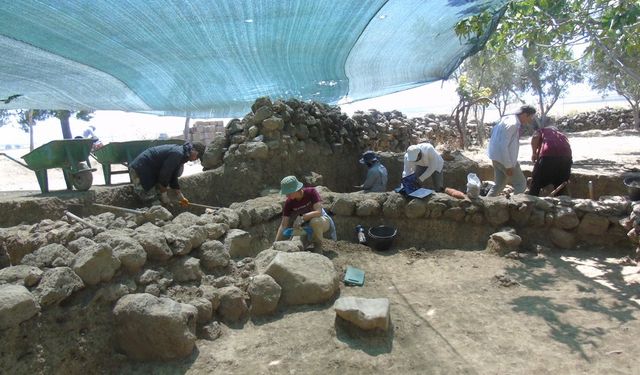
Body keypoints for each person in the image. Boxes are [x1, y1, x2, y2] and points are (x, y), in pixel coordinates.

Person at [129, 142, 205, 206]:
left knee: (157, 200)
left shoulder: (182, 154)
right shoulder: (178, 154)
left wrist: (180, 196)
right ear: (193, 151)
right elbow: (165, 174)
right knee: (152, 201)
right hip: (140, 169)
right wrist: (164, 195)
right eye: (198, 157)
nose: (196, 159)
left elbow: (173, 175)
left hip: (149, 171)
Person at [275, 175, 336, 253]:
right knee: (295, 243)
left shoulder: (311, 192)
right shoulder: (289, 202)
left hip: (322, 221)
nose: (287, 195)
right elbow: (283, 225)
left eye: (288, 193)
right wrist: (275, 243)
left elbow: (319, 212)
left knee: (315, 221)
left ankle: (318, 246)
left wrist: (302, 217)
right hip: (305, 227)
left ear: (295, 190)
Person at [486, 104, 537, 197]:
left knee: (499, 185)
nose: (531, 120)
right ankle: (515, 207)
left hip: (495, 157)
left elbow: (494, 137)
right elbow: (503, 145)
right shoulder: (513, 124)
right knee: (521, 184)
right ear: (525, 114)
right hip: (504, 159)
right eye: (531, 117)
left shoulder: (505, 119)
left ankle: (486, 205)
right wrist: (508, 166)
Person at [529, 122, 572, 196]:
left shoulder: (542, 130)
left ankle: (531, 200)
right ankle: (562, 202)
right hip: (567, 157)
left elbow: (535, 137)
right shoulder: (561, 135)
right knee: (560, 183)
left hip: (548, 155)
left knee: (536, 181)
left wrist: (534, 153)